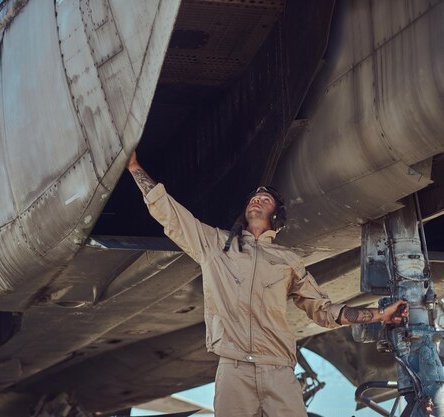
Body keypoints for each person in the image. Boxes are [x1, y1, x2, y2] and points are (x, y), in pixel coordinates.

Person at [126, 151, 408, 417]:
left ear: (277, 217)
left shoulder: (288, 260)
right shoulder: (214, 245)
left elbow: (323, 310)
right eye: (254, 197)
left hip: (278, 370)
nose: (257, 200)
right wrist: (135, 168)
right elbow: (171, 216)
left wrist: (379, 315)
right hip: (233, 369)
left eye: (266, 198)